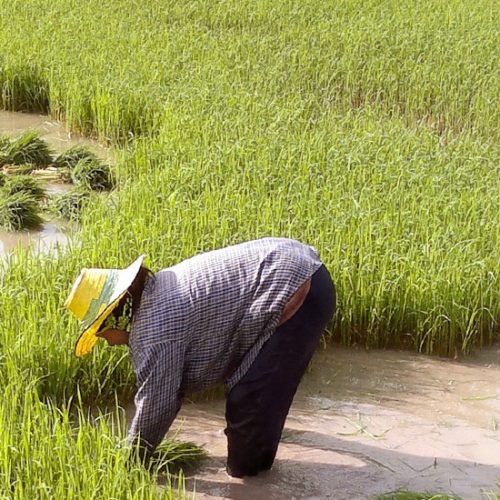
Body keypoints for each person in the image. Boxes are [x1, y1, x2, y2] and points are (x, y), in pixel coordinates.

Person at [65, 237, 336, 477]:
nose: (106, 342)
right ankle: (260, 468)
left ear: (118, 316)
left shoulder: (155, 330)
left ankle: (253, 483)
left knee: (249, 400)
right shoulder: (155, 295)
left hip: (298, 287)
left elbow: (157, 405)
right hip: (294, 269)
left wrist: (130, 463)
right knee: (258, 395)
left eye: (101, 332)